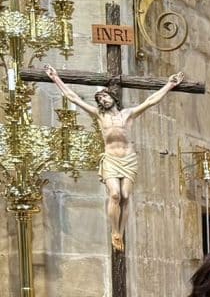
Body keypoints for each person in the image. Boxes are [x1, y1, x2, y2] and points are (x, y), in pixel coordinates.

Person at [45, 66, 184, 252]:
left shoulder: (128, 114)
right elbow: (74, 98)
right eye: (100, 98)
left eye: (105, 96)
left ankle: (121, 231)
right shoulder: (99, 115)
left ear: (113, 97)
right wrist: (56, 78)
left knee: (125, 196)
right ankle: (114, 231)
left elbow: (151, 101)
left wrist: (169, 85)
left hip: (128, 159)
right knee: (115, 194)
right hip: (111, 159)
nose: (103, 99)